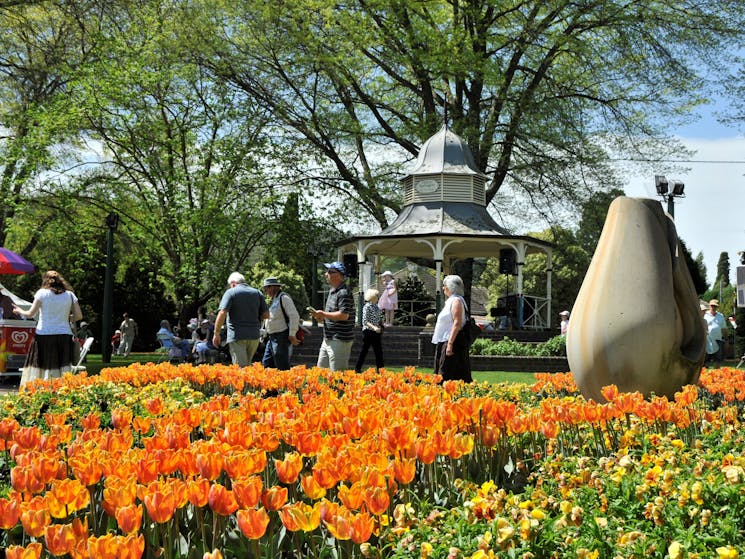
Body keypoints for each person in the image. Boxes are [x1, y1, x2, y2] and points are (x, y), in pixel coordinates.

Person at [12, 270, 83, 386]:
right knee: (62, 366)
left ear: (45, 280)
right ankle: (62, 388)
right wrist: (65, 318)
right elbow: (79, 316)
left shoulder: (41, 293)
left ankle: (41, 387)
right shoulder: (70, 295)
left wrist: (18, 310)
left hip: (43, 334)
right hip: (64, 334)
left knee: (41, 364)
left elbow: (30, 314)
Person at [213, 272, 269, 367]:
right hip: (254, 336)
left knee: (240, 368)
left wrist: (216, 333)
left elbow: (222, 313)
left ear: (233, 283)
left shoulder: (231, 292)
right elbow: (266, 315)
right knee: (247, 367)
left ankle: (245, 382)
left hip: (237, 335)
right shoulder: (257, 293)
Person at [309, 261, 355, 371]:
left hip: (339, 340)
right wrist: (320, 317)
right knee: (320, 373)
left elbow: (344, 315)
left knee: (338, 378)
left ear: (338, 275)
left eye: (329, 271)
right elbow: (332, 314)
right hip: (328, 338)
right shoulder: (332, 291)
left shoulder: (344, 292)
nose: (326, 274)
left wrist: (323, 314)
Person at [431, 274, 472, 383]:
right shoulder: (451, 301)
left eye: (444, 285)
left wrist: (450, 344)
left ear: (449, 287)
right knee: (441, 371)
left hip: (451, 341)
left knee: (446, 373)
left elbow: (457, 323)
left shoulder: (456, 301)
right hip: (444, 340)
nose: (443, 288)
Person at [261, 277, 301, 370]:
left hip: (281, 336)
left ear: (273, 287)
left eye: (266, 288)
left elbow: (294, 316)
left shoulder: (284, 298)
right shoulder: (275, 299)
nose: (265, 291)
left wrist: (292, 334)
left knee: (281, 365)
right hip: (271, 338)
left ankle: (286, 384)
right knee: (266, 364)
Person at [355, 288, 384, 374]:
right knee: (364, 351)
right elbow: (365, 321)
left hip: (376, 332)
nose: (378, 297)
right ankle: (357, 369)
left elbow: (379, 319)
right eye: (377, 295)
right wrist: (374, 328)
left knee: (379, 352)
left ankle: (381, 370)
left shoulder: (377, 307)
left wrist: (379, 326)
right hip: (368, 332)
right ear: (372, 297)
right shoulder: (366, 307)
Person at [704, 299, 726, 367]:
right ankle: (704, 375)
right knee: (705, 359)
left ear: (717, 307)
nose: (713, 307)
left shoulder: (720, 316)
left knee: (718, 359)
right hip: (707, 340)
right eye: (712, 306)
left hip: (718, 340)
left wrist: (726, 339)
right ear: (709, 306)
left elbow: (724, 328)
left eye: (715, 306)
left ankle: (717, 374)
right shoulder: (705, 315)